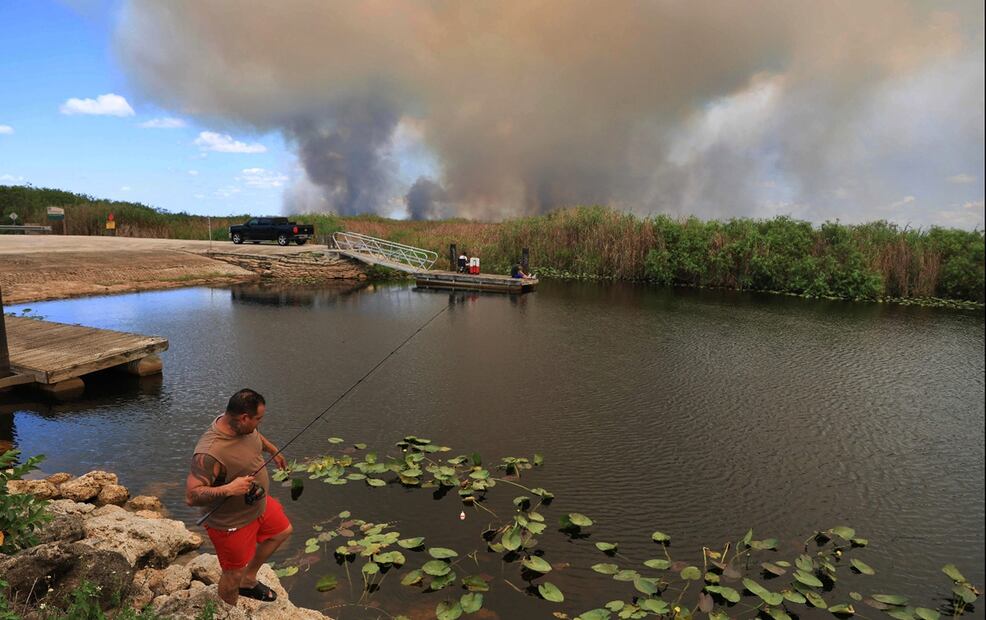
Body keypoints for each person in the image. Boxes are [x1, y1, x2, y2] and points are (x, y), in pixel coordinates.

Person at [186, 388, 291, 605]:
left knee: (281, 532)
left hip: (258, 504)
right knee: (232, 575)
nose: (259, 423)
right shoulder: (209, 452)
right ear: (244, 418)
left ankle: (248, 579)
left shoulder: (243, 428)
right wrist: (229, 488)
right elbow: (192, 496)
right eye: (258, 419)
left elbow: (256, 437)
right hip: (230, 523)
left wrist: (273, 450)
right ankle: (229, 610)